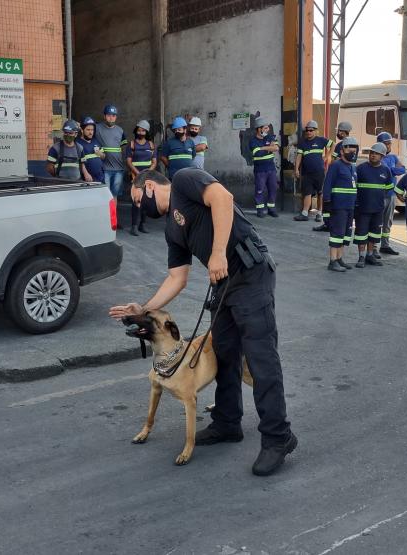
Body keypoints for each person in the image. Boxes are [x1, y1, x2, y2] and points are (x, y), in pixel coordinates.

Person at [109, 168, 298, 476]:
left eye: (136, 198)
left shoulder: (185, 180)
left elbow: (223, 197)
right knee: (224, 351)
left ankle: (279, 438)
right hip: (223, 284)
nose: (137, 205)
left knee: (261, 358)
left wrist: (219, 252)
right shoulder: (172, 229)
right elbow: (177, 278)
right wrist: (142, 309)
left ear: (151, 187)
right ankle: (227, 422)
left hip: (250, 271)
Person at [353, 142, 393, 268]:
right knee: (362, 233)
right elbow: (354, 187)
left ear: (382, 157)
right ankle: (361, 257)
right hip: (362, 208)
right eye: (372, 153)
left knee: (374, 234)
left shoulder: (386, 170)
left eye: (376, 154)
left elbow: (389, 188)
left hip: (378, 209)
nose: (373, 155)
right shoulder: (360, 169)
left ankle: (370, 255)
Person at [322, 136, 359, 272]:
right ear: (342, 151)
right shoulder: (336, 166)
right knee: (337, 233)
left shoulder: (353, 168)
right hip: (338, 206)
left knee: (345, 234)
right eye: (349, 148)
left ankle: (339, 258)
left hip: (349, 206)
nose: (352, 151)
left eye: (354, 149)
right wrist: (326, 206)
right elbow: (327, 185)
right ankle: (332, 261)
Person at [315, 121, 353, 232]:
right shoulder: (353, 144)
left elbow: (335, 161)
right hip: (346, 177)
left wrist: (330, 170)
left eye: (339, 131)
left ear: (344, 132)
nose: (338, 133)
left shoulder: (341, 145)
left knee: (328, 201)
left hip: (337, 177)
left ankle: (328, 224)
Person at [293, 120, 332, 222]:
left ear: (315, 131)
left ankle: (319, 213)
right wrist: (296, 169)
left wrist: (327, 156)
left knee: (320, 192)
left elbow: (333, 144)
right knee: (307, 192)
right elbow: (299, 156)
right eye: (307, 130)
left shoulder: (321, 140)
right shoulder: (303, 143)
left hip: (319, 172)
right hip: (306, 173)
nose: (309, 132)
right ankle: (305, 213)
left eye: (311, 130)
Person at [376, 132, 406, 257]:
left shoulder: (393, 157)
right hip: (379, 195)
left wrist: (392, 169)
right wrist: (393, 170)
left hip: (391, 194)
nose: (389, 146)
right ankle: (373, 247)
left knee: (388, 221)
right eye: (386, 143)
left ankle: (385, 245)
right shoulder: (377, 157)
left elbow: (402, 169)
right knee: (377, 222)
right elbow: (386, 171)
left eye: (389, 143)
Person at [125, 120, 158, 236]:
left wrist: (148, 172)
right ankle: (134, 226)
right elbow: (128, 161)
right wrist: (138, 173)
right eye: (139, 130)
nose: (140, 132)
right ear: (136, 131)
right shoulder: (132, 144)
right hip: (136, 176)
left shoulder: (151, 145)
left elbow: (154, 162)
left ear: (147, 132)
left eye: (143, 131)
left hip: (147, 177)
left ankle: (142, 224)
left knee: (146, 201)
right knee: (136, 201)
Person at [249, 117, 280, 218]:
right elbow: (256, 153)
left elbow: (276, 148)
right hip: (260, 170)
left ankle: (271, 208)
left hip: (271, 169)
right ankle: (260, 209)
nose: (268, 130)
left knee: (273, 188)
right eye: (266, 128)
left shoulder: (270, 137)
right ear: (259, 129)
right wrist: (268, 149)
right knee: (260, 189)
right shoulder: (252, 141)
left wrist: (263, 148)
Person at [95, 104, 128, 199]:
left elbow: (123, 148)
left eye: (113, 115)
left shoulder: (120, 130)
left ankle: (113, 214)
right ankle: (106, 214)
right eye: (109, 115)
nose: (111, 118)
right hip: (104, 169)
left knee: (115, 196)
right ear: (104, 116)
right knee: (105, 196)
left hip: (118, 169)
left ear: (116, 117)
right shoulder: (97, 128)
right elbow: (87, 131)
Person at [78, 116, 105, 184]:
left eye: (92, 130)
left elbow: (103, 156)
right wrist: (85, 173)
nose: (91, 132)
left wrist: (100, 154)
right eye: (88, 130)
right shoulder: (77, 143)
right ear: (82, 130)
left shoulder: (95, 141)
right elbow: (78, 162)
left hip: (100, 178)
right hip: (87, 179)